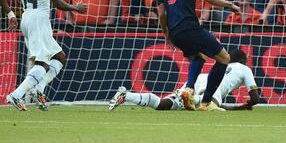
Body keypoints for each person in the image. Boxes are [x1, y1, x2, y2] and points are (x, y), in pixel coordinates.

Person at [0, 0, 86, 111]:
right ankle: (16, 95)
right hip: (39, 19)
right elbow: (58, 3)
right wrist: (76, 8)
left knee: (59, 57)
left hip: (26, 17)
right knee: (42, 63)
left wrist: (10, 14)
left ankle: (39, 89)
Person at [157, 0, 240, 111]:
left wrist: (167, 35)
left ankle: (189, 89)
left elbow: (161, 14)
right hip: (189, 27)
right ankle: (206, 103)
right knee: (224, 58)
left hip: (175, 32)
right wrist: (229, 5)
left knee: (199, 55)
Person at [108, 49, 260, 111]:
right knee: (209, 107)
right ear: (244, 61)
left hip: (203, 78)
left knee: (163, 104)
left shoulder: (222, 65)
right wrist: (244, 106)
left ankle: (126, 95)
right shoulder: (245, 69)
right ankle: (194, 100)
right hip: (214, 88)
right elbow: (255, 98)